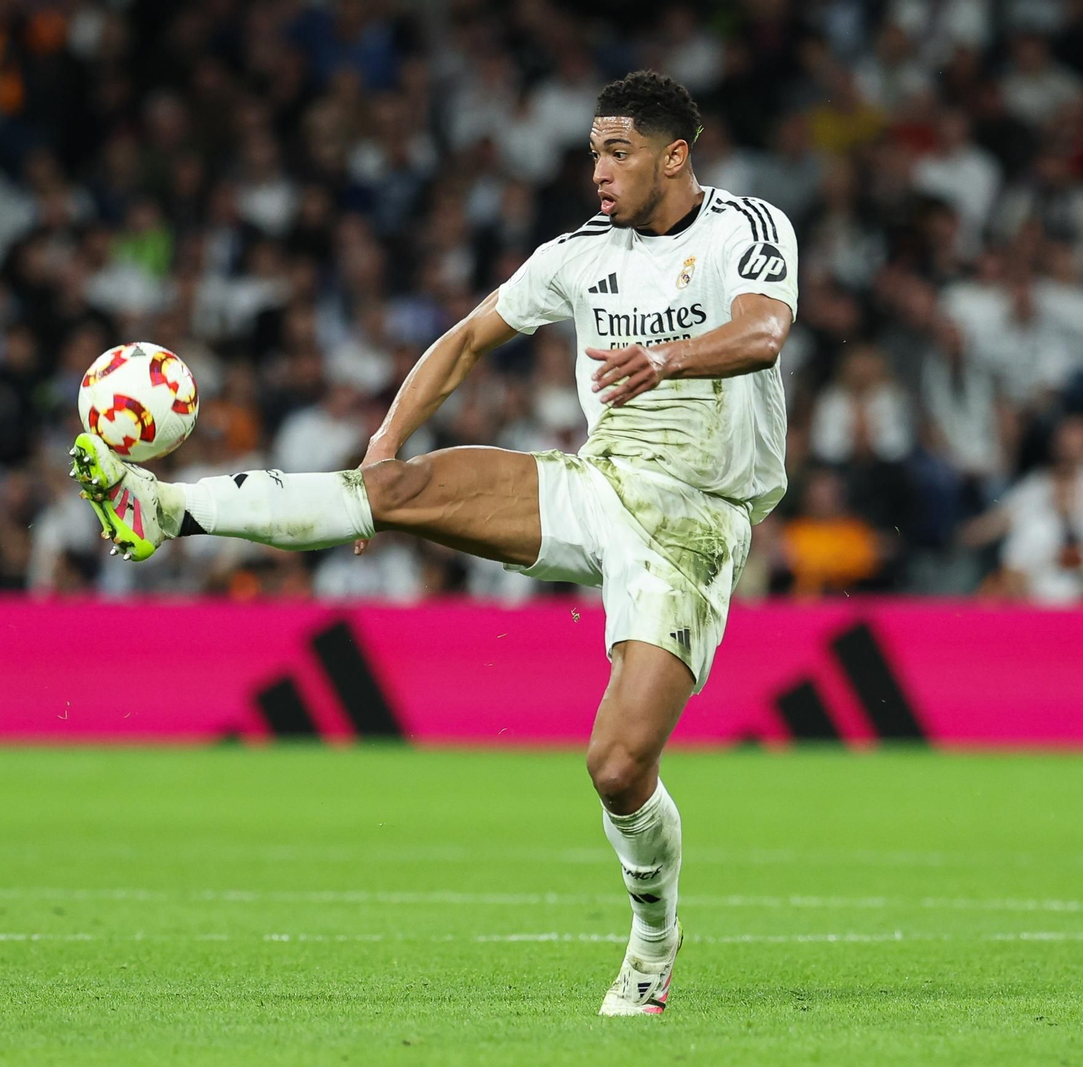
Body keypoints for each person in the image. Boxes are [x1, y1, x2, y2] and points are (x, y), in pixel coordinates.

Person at [66, 71, 797, 1017]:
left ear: (674, 154)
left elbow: (764, 331)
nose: (599, 173)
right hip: (598, 485)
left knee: (617, 767)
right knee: (397, 490)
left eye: (616, 153)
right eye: (592, 153)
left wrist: (664, 355)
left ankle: (654, 938)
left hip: (697, 520)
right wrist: (384, 443)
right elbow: (462, 341)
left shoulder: (749, 228)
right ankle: (162, 510)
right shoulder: (578, 254)